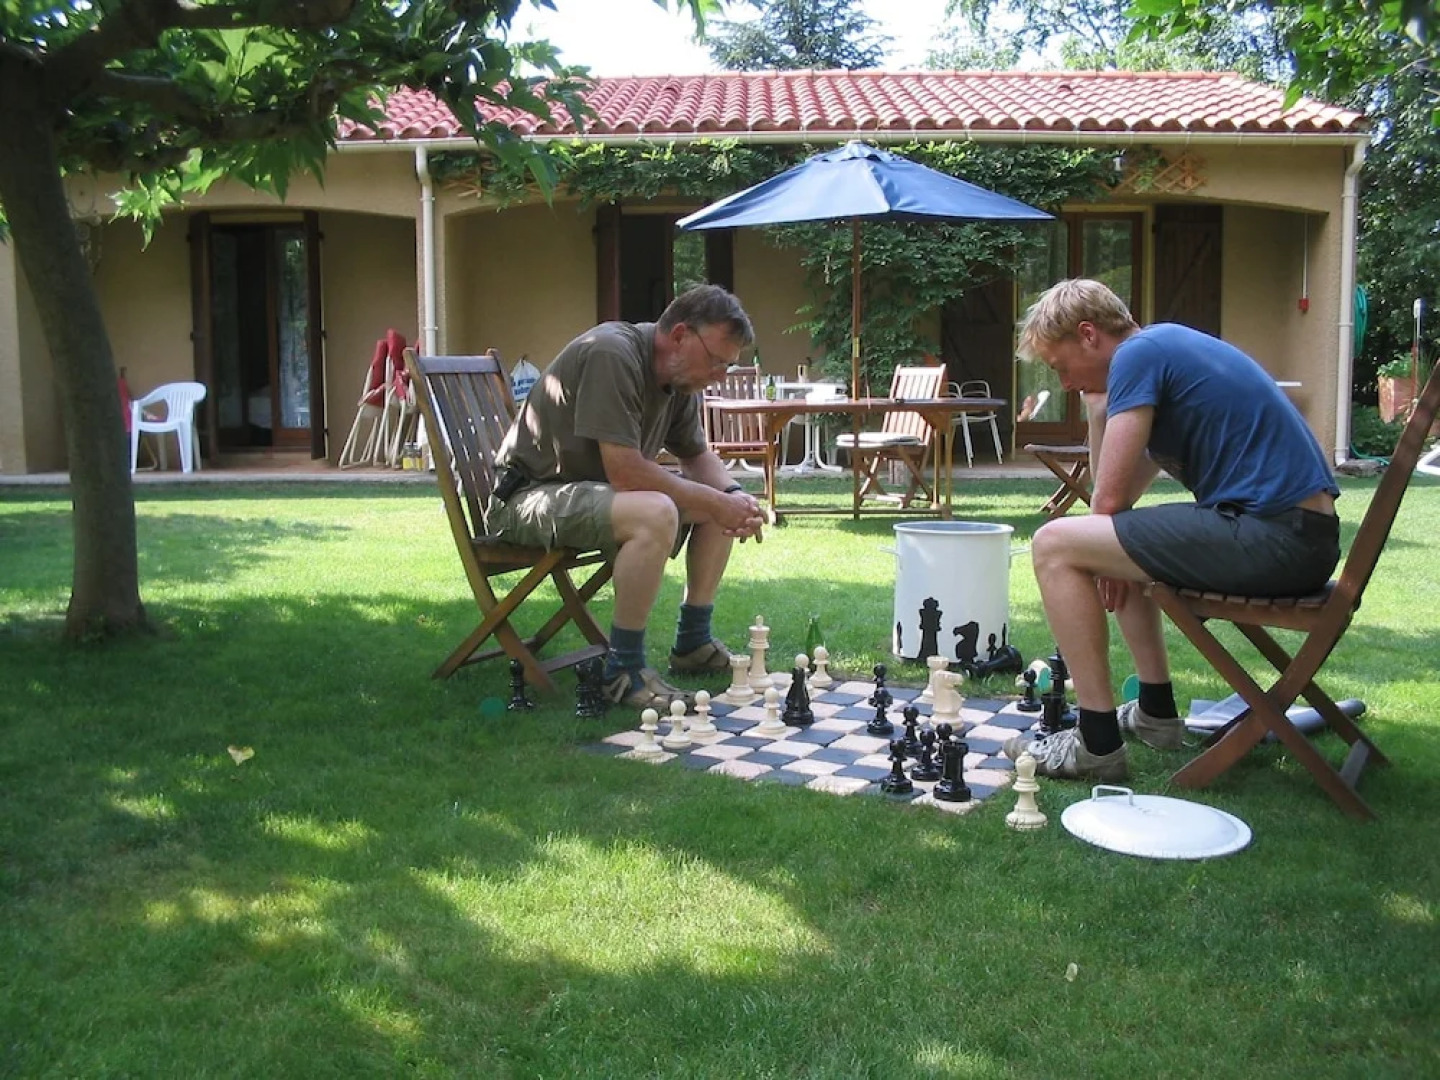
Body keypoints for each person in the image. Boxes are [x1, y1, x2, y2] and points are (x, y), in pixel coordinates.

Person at [1004, 279, 1341, 781]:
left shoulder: (1138, 355)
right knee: (1116, 540)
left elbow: (1108, 500)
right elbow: (1121, 497)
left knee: (1053, 544)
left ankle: (1096, 743)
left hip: (1277, 539)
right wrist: (1098, 412)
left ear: (1089, 335)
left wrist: (1102, 536)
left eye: (1060, 366)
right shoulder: (1160, 351)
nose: (1067, 382)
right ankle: (1156, 713)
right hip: (1294, 537)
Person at [488, 284, 766, 710]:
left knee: (715, 501)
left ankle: (693, 644)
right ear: (680, 335)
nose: (720, 376)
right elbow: (626, 471)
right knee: (657, 510)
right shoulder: (612, 354)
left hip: (591, 494)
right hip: (528, 499)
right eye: (716, 361)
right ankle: (623, 672)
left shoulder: (678, 381)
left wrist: (734, 497)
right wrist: (716, 501)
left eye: (727, 366)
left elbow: (696, 456)